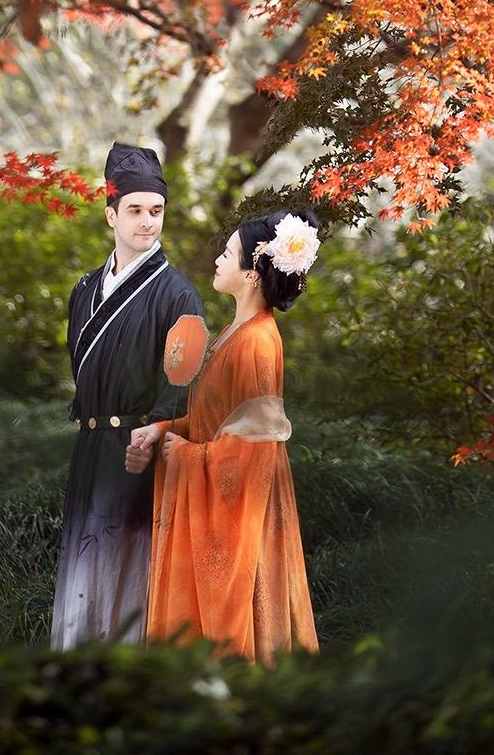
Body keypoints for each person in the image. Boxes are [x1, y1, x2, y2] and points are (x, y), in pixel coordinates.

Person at [138, 207, 320, 664]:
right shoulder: (234, 332)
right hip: (219, 488)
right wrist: (164, 428)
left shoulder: (257, 342)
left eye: (227, 253)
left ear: (254, 272)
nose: (218, 261)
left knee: (251, 631)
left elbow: (253, 448)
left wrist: (187, 454)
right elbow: (214, 418)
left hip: (250, 511)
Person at [50, 141, 204, 648]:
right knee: (82, 576)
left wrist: (154, 429)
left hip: (141, 454)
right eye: (135, 210)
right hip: (91, 450)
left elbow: (183, 385)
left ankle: (124, 689)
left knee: (130, 580)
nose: (147, 222)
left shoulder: (177, 294)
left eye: (156, 211)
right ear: (110, 214)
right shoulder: (84, 289)